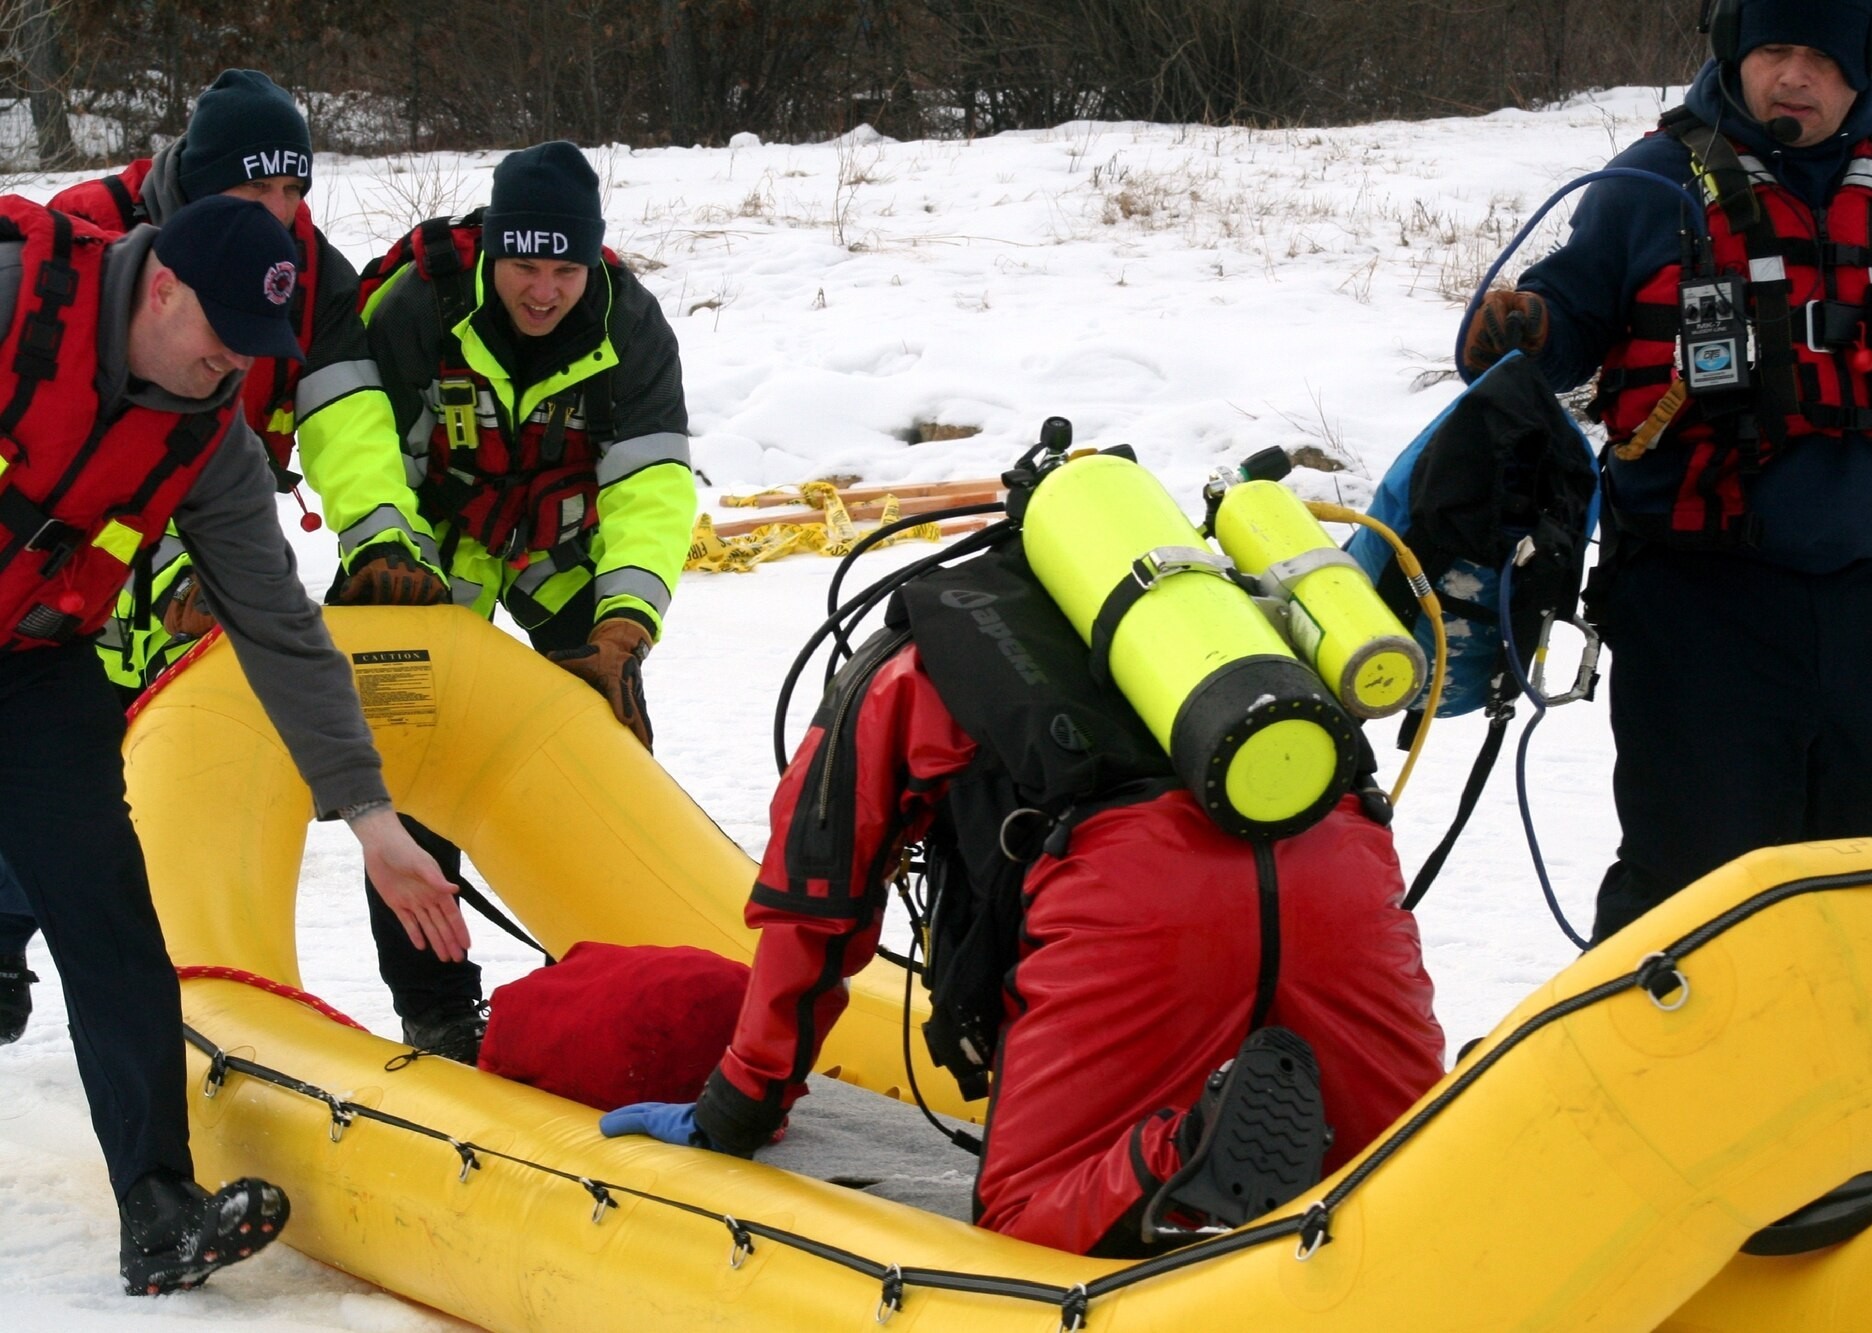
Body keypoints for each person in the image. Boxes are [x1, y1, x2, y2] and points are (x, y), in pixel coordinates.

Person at [601, 541, 1445, 1256]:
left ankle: (1182, 1151)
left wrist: (740, 1103)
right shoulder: (1221, 612)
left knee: (1022, 1221)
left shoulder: (933, 644)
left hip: (1134, 900)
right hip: (1343, 870)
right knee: (1411, 1181)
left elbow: (816, 894)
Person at [0, 191, 470, 1292]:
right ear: (159, 283)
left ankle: (158, 1205)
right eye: (220, 342)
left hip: (30, 660)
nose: (229, 372)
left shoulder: (202, 434)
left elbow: (278, 623)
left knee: (110, 910)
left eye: (250, 356)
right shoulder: (19, 310)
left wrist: (370, 815)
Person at [1461, 0, 1872, 942]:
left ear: (1867, 67)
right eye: (1776, 51)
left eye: (1824, 61)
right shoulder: (1648, 184)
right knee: (1696, 896)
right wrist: (1527, 328)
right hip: (1698, 607)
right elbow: (1562, 326)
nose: (1795, 78)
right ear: (1731, 51)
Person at [0, 69, 445, 1045]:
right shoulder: (88, 230)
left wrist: (378, 531)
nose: (281, 216)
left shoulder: (309, 276)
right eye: (255, 194)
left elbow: (347, 416)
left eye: (294, 193)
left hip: (223, 519)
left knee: (91, 777)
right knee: (76, 731)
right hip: (77, 533)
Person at [319, 140, 696, 1061]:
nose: (542, 290)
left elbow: (652, 492)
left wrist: (623, 628)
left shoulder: (632, 326)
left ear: (593, 260)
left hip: (558, 558)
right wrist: (380, 550)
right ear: (491, 252)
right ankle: (438, 1010)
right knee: (412, 778)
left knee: (603, 755)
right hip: (429, 558)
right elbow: (362, 448)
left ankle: (616, 982)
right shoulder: (418, 309)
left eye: (564, 268)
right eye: (524, 265)